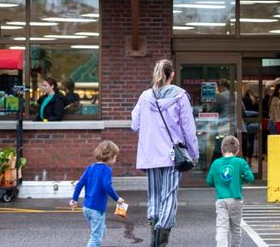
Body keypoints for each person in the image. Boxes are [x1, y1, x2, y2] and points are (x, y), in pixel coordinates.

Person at [131, 59, 199, 247]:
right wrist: (193, 152)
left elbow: (134, 124)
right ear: (172, 75)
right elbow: (188, 128)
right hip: (172, 155)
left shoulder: (145, 96)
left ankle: (154, 234)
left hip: (150, 155)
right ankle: (160, 242)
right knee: (169, 197)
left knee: (154, 196)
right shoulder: (180, 96)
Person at [70, 140, 125, 247]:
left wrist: (74, 200)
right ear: (111, 156)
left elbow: (79, 184)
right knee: (96, 238)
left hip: (87, 208)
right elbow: (107, 185)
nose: (115, 159)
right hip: (96, 209)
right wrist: (117, 198)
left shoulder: (90, 168)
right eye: (115, 156)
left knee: (100, 231)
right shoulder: (106, 170)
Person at [207, 135, 255, 247]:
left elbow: (209, 181)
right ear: (237, 150)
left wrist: (218, 183)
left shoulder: (216, 163)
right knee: (236, 228)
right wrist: (240, 177)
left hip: (221, 200)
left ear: (222, 150)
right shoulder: (240, 162)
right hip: (236, 200)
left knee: (222, 228)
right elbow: (250, 178)